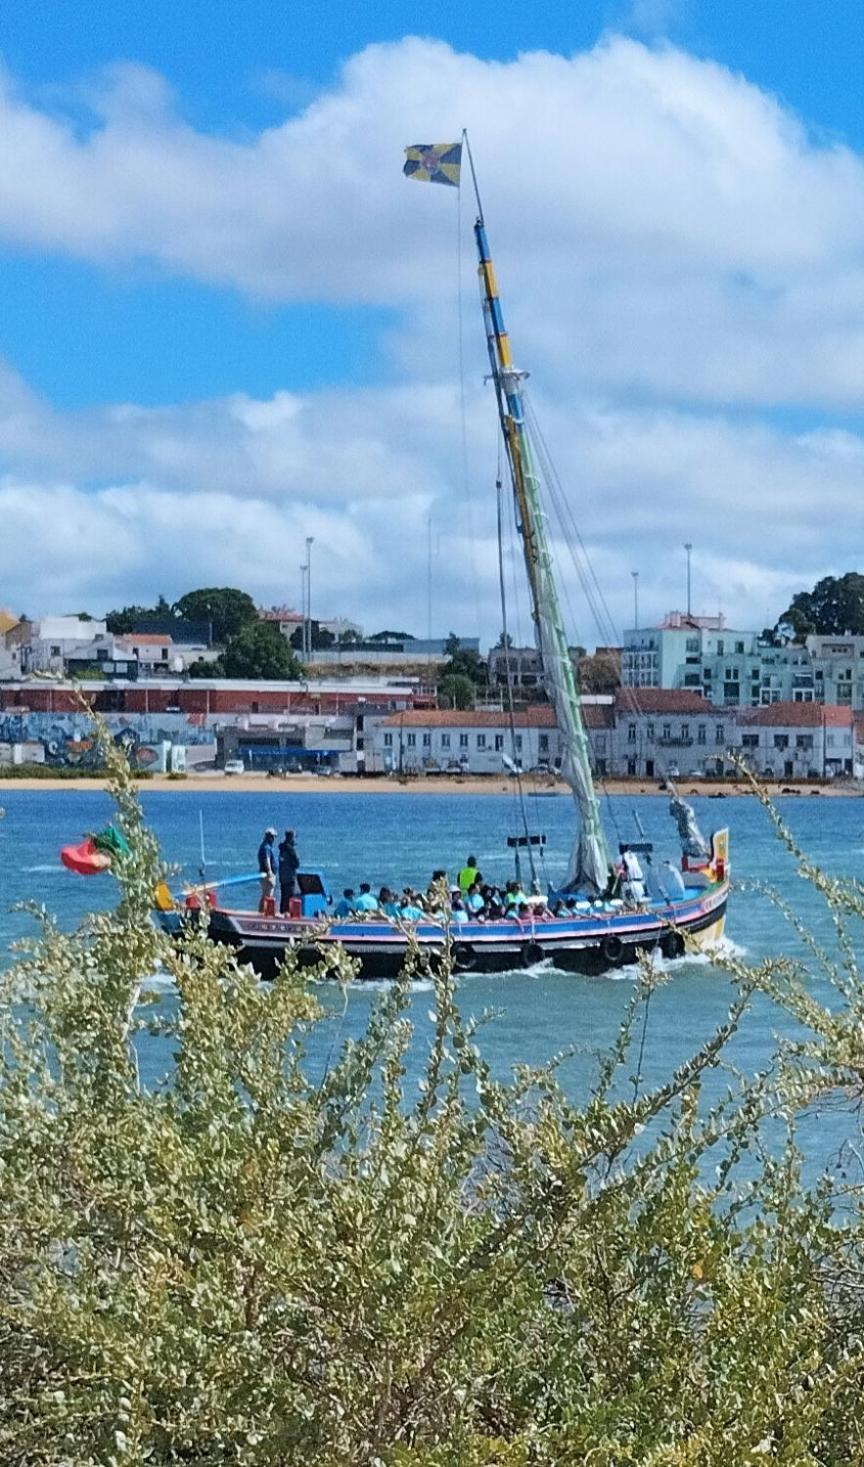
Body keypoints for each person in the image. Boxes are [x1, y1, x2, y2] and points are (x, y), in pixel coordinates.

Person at [278, 829, 300, 914]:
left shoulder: (282, 849)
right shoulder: (290, 850)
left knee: (283, 898)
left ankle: (282, 913)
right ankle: (287, 915)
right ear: (291, 837)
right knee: (289, 898)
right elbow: (296, 863)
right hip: (289, 878)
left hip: (282, 877)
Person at [257, 827, 277, 912]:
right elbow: (267, 860)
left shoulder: (266, 846)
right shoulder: (266, 847)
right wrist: (270, 872)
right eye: (272, 837)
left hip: (266, 873)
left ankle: (262, 911)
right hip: (267, 874)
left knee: (266, 894)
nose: (273, 839)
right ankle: (263, 911)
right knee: (267, 895)